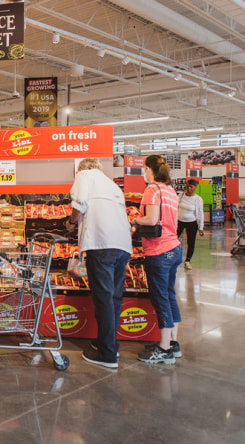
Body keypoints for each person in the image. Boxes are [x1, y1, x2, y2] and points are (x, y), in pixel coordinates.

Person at [68, 158, 132, 369]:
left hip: (101, 243)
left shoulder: (83, 176)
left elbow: (79, 204)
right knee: (113, 298)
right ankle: (109, 344)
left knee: (103, 299)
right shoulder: (112, 185)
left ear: (81, 169)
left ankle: (107, 354)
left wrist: (70, 222)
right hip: (122, 246)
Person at [130, 155, 182, 364]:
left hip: (159, 251)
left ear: (150, 170)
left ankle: (163, 349)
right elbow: (174, 224)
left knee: (160, 299)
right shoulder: (171, 192)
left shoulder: (152, 189)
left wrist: (134, 219)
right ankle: (172, 343)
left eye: (144, 169)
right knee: (169, 295)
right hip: (174, 248)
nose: (144, 172)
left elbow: (151, 219)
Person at [177, 179, 204, 269]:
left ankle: (187, 261)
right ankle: (173, 258)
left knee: (191, 242)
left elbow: (200, 213)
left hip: (191, 223)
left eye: (191, 187)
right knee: (173, 239)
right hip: (179, 221)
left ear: (195, 187)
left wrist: (201, 227)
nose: (188, 188)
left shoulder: (198, 199)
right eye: (187, 186)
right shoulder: (180, 196)